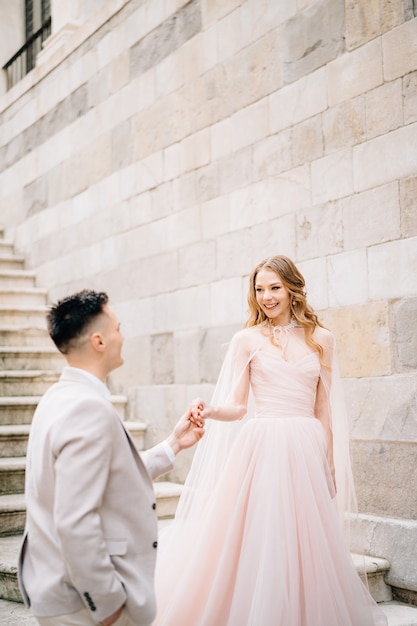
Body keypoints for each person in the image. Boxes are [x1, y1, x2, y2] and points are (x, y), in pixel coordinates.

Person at [153, 255, 388, 626]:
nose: (266, 296)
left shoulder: (322, 339)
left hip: (305, 446)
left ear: (293, 288)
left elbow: (323, 409)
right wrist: (211, 410)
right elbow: (238, 406)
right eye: (260, 289)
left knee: (305, 540)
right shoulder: (246, 340)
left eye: (274, 287)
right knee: (262, 535)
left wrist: (327, 462)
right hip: (262, 446)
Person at [18, 289, 204, 626]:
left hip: (61, 593)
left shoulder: (59, 397)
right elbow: (74, 520)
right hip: (83, 606)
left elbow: (107, 481)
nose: (123, 336)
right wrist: (108, 606)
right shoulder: (87, 408)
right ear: (99, 341)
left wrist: (173, 444)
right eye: (118, 328)